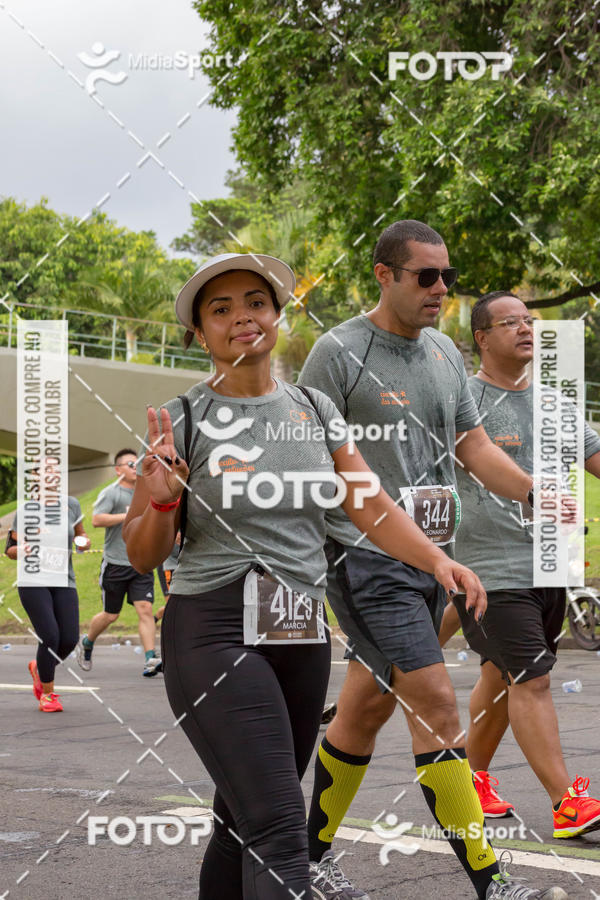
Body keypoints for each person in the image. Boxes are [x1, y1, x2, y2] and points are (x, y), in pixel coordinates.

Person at [122, 251, 487, 900]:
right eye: (221, 309)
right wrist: (161, 500)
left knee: (240, 824)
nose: (243, 317)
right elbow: (143, 556)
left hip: (300, 631)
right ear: (200, 334)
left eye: (256, 303)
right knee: (279, 827)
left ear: (277, 315)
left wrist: (436, 559)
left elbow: (368, 503)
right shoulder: (183, 418)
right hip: (213, 631)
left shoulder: (314, 408)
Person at [299, 220, 568, 900]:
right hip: (364, 557)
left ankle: (307, 861)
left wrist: (532, 491)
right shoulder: (338, 353)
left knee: (363, 712)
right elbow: (308, 458)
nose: (441, 288)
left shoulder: (445, 352)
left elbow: (473, 447)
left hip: (431, 560)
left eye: (446, 276)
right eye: (426, 276)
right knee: (438, 706)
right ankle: (492, 882)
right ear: (384, 275)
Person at [437, 290, 600, 838]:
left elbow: (595, 457)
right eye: (510, 323)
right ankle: (566, 803)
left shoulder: (556, 402)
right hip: (490, 569)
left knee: (499, 677)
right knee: (532, 680)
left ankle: (469, 780)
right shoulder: (464, 402)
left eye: (529, 320)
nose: (526, 329)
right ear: (482, 338)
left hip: (550, 565)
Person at [76, 449, 161, 677]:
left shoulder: (145, 491)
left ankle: (150, 659)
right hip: (115, 563)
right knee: (111, 615)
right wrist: (128, 516)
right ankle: (87, 641)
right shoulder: (111, 493)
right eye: (130, 464)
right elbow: (97, 519)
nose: (135, 468)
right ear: (118, 470)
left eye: (137, 463)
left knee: (145, 609)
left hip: (141, 562)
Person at [6, 494, 90, 712]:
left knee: (69, 639)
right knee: (50, 636)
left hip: (64, 580)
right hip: (33, 581)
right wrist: (23, 550)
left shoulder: (72, 504)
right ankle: (48, 695)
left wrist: (83, 543)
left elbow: (81, 535)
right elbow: (10, 549)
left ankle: (39, 668)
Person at [155, 534, 180, 624]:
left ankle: (155, 618)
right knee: (173, 605)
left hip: (188, 566)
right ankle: (154, 619)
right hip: (170, 566)